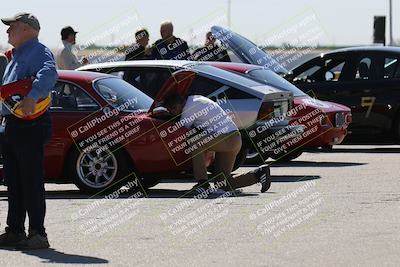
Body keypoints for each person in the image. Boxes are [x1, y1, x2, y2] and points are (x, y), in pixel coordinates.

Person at [0, 12, 57, 249]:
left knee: (30, 180)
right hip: (13, 124)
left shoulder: (39, 51)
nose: (7, 31)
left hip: (30, 125)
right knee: (14, 181)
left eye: (11, 27)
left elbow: (49, 74)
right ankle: (15, 230)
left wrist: (33, 96)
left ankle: (38, 234)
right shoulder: (17, 55)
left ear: (25, 28)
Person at [163, 93, 271, 194]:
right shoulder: (195, 99)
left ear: (177, 106)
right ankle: (258, 173)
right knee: (222, 184)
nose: (170, 113)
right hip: (234, 138)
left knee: (195, 142)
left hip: (227, 139)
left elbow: (181, 130)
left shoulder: (188, 109)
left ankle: (203, 184)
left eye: (170, 110)